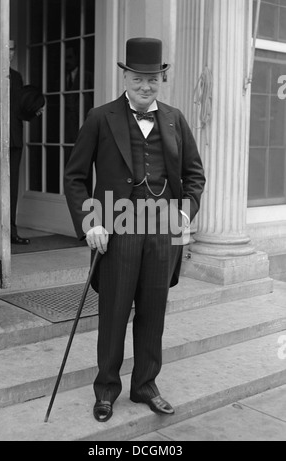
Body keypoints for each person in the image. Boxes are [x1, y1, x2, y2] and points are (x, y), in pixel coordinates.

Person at [64, 38, 206, 423]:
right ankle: (107, 389)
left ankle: (145, 384)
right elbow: (75, 177)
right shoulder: (100, 117)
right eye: (139, 78)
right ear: (125, 76)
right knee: (113, 312)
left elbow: (194, 176)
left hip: (162, 233)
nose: (146, 86)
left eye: (153, 79)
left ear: (162, 78)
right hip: (117, 230)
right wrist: (90, 220)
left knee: (152, 312)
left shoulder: (176, 119)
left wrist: (185, 212)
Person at [9, 40, 44, 245]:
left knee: (12, 187)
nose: (10, 52)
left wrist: (36, 107)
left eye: (13, 48)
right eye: (7, 48)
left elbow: (20, 108)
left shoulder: (16, 76)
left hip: (14, 138)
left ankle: (10, 232)